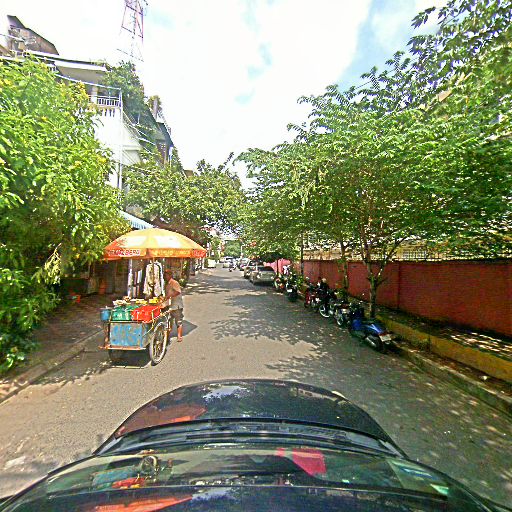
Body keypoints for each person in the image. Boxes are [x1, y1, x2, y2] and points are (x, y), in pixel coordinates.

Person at [162, 269, 184, 342]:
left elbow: (178, 292)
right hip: (170, 305)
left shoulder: (174, 283)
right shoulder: (167, 283)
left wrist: (170, 295)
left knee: (178, 321)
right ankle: (167, 336)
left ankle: (179, 336)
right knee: (168, 321)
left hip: (177, 305)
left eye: (166, 275)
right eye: (164, 275)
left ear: (170, 275)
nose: (165, 277)